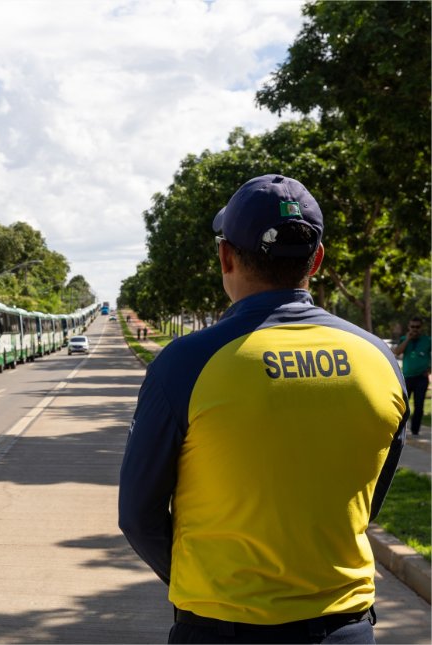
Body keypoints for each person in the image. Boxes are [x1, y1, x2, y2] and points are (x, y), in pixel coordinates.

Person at [118, 174, 407, 644]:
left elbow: (138, 514)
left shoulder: (185, 364)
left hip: (222, 630)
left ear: (225, 256)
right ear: (317, 259)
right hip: (345, 630)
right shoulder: (378, 359)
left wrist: (201, 583)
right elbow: (369, 496)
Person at [393, 316, 430, 436]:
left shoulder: (427, 340)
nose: (415, 329)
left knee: (419, 406)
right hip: (407, 378)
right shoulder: (404, 338)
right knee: (402, 406)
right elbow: (397, 352)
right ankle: (398, 430)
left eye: (417, 327)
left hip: (421, 378)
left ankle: (415, 431)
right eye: (412, 327)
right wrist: (408, 338)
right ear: (409, 327)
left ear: (421, 328)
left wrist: (429, 368)